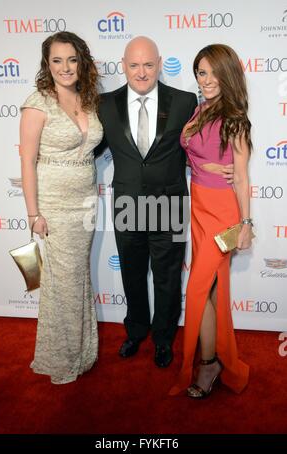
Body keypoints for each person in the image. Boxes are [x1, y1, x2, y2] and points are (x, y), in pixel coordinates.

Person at [97, 36, 233, 368]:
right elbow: (90, 148)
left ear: (159, 64)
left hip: (170, 205)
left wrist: (215, 167)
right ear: (123, 66)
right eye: (134, 65)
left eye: (148, 64)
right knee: (131, 273)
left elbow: (202, 142)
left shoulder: (186, 101)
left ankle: (163, 338)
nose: (141, 73)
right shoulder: (105, 104)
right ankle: (136, 330)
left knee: (167, 276)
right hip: (127, 205)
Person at [170, 44, 253, 398]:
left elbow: (242, 178)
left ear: (228, 74)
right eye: (201, 72)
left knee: (198, 290)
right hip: (199, 207)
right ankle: (215, 359)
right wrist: (200, 166)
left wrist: (246, 224)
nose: (206, 80)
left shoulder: (235, 118)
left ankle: (208, 364)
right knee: (212, 291)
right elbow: (194, 154)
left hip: (223, 213)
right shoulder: (199, 110)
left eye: (213, 72)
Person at [20, 31, 103, 384]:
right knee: (62, 283)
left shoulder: (88, 99)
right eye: (57, 60)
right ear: (47, 64)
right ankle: (65, 359)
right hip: (53, 205)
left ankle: (83, 351)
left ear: (81, 61)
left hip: (85, 202)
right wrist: (33, 214)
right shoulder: (38, 102)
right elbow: (27, 162)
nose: (65, 67)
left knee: (75, 279)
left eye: (71, 59)